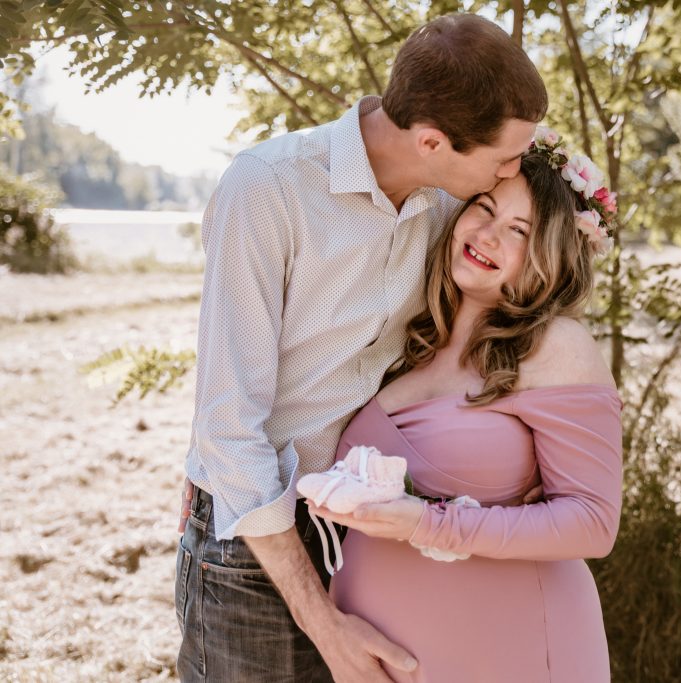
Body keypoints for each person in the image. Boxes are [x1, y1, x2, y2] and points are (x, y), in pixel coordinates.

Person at [175, 14, 548, 682]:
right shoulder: (268, 189)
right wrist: (325, 626)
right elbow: (229, 428)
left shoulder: (450, 206)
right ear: (431, 141)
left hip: (372, 532)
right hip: (254, 544)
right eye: (503, 158)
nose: (512, 170)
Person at [307, 136, 623, 682]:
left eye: (520, 231)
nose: (488, 234)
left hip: (509, 650)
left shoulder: (556, 347)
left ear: (552, 255)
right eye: (484, 208)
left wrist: (428, 523)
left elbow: (593, 523)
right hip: (381, 656)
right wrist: (216, 471)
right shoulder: (406, 344)